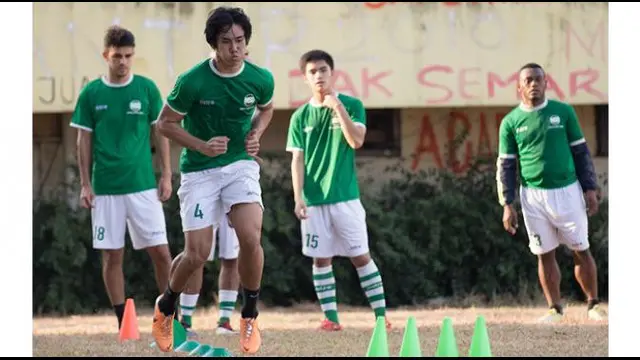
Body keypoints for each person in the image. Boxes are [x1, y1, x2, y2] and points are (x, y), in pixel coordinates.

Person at [150, 6, 275, 355]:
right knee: (197, 255)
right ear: (214, 44)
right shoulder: (192, 81)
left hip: (240, 165)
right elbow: (164, 124)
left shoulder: (260, 77)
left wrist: (257, 132)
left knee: (250, 235)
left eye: (240, 40)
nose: (235, 48)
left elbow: (266, 108)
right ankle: (166, 305)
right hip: (200, 171)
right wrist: (201, 146)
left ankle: (249, 313)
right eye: (227, 42)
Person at [69, 25, 173, 331]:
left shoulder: (147, 88)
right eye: (117, 56)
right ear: (106, 56)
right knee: (112, 256)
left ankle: (168, 317)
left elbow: (162, 132)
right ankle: (122, 322)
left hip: (143, 186)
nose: (123, 61)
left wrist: (166, 174)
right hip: (106, 189)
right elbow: (82, 141)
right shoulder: (91, 93)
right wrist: (85, 184)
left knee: (162, 253)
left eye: (128, 56)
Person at [285, 49, 391, 332]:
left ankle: (382, 318)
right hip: (314, 201)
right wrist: (298, 197)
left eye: (323, 70)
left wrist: (337, 108)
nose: (318, 75)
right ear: (305, 78)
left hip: (346, 198)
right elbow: (297, 159)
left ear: (333, 74)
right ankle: (331, 319)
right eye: (312, 72)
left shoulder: (353, 104)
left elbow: (356, 141)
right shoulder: (299, 117)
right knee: (321, 259)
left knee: (361, 256)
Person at [496, 62, 608, 323]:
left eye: (538, 79)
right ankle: (554, 308)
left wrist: (589, 189)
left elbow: (581, 153)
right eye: (528, 81)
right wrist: (507, 204)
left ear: (546, 83)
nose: (534, 84)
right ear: (519, 87)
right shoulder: (510, 122)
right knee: (544, 252)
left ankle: (593, 304)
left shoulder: (563, 112)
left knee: (581, 248)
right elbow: (506, 165)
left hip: (567, 191)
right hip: (533, 196)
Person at [175, 215, 240, 337]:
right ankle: (185, 322)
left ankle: (224, 322)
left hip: (233, 197)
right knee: (196, 256)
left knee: (232, 256)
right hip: (204, 197)